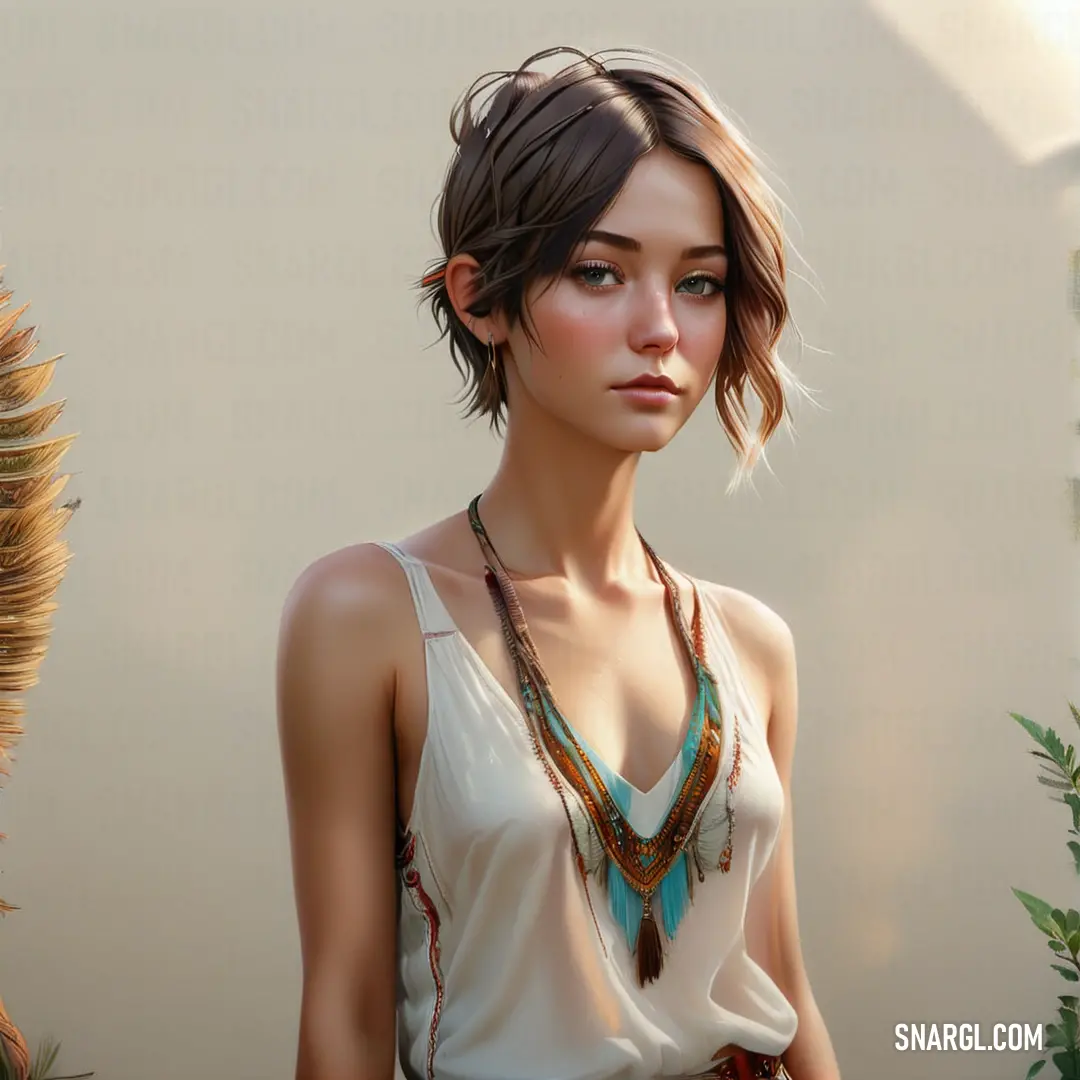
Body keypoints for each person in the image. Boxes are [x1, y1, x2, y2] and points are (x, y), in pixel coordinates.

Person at [276, 45, 842, 1080]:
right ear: (479, 298)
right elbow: (345, 1018)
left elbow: (785, 993)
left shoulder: (753, 646)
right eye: (598, 271)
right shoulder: (368, 616)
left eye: (702, 283)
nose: (661, 328)